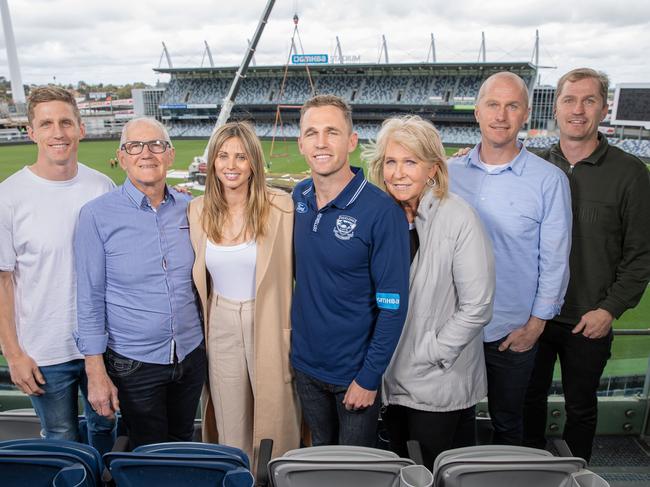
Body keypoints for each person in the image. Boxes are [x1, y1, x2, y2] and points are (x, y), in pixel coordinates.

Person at [523, 68, 650, 461]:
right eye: (569, 100)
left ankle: (574, 474)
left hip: (588, 321)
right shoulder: (532, 165)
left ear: (604, 107)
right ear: (556, 108)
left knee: (581, 409)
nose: (578, 110)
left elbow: (641, 254)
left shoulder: (630, 173)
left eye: (589, 100)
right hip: (534, 318)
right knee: (526, 403)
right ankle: (524, 471)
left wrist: (609, 310)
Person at [447, 72, 572, 446]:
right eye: (493, 104)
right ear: (477, 112)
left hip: (511, 332)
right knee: (452, 425)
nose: (501, 115)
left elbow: (555, 260)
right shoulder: (446, 174)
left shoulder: (549, 180)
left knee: (508, 425)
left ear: (526, 115)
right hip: (453, 329)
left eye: (512, 106)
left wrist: (534, 326)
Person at [364, 115, 496, 469]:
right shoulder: (382, 216)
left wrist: (432, 352)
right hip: (390, 379)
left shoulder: (459, 217)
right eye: (391, 162)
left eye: (411, 162)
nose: (398, 173)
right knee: (402, 470)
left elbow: (477, 306)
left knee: (436, 471)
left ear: (433, 169)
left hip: (438, 382)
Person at [74, 117, 206, 449]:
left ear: (170, 154)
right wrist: (95, 371)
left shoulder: (191, 210)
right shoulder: (96, 215)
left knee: (182, 444)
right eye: (135, 146)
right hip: (134, 363)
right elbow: (89, 298)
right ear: (122, 157)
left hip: (190, 355)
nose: (147, 153)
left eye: (156, 145)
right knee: (147, 451)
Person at [0, 86, 116, 453]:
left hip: (104, 343)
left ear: (81, 128)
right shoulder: (8, 197)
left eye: (66, 122)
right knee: (61, 440)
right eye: (46, 123)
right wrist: (14, 354)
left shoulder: (102, 187)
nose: (58, 132)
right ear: (31, 132)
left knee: (106, 427)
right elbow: (3, 282)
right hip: (44, 349)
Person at [291, 94, 410, 446]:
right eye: (311, 133)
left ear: (352, 141)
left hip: (354, 376)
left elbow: (393, 306)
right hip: (305, 367)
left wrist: (370, 377)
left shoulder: (382, 211)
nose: (321, 142)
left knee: (355, 472)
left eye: (332, 131)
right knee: (319, 460)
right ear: (301, 144)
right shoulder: (299, 197)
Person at [187, 121, 300, 463]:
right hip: (220, 320)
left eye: (240, 157)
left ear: (254, 162)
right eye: (222, 156)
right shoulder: (197, 209)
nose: (231, 165)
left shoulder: (281, 207)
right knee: (230, 420)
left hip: (267, 318)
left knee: (274, 422)